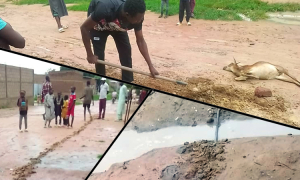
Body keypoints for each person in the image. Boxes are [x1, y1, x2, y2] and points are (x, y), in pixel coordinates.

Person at [80, 0, 159, 83]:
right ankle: (101, 82)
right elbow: (84, 28)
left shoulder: (138, 17)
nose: (140, 21)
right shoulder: (104, 8)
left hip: (118, 25)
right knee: (98, 57)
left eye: (141, 18)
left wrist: (150, 66)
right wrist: (89, 54)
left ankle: (127, 81)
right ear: (127, 15)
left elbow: (140, 41)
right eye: (137, 20)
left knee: (126, 52)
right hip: (99, 25)